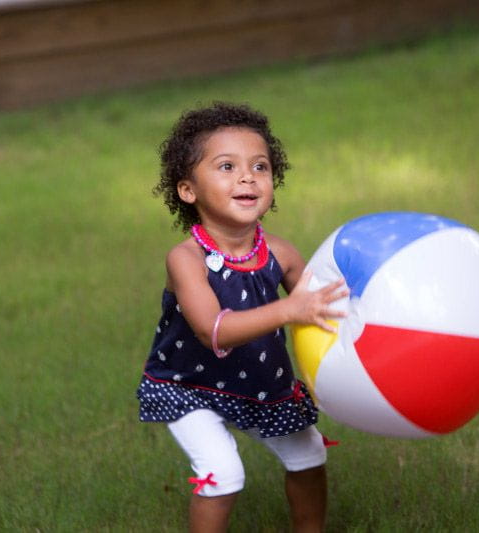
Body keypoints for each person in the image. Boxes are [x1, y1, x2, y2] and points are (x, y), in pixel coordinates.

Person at [136, 102, 347, 532]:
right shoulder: (186, 259)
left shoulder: (281, 253)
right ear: (188, 191)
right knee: (224, 474)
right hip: (190, 386)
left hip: (261, 384)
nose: (248, 177)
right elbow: (213, 330)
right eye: (227, 166)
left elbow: (325, 308)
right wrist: (289, 308)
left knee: (309, 455)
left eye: (260, 166)